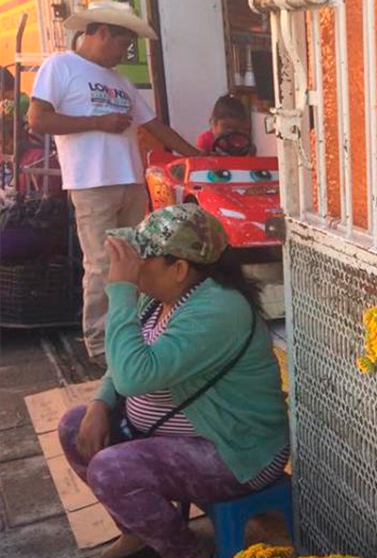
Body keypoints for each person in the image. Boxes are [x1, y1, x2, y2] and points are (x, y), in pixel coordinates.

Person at [57, 204, 289, 558]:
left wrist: (119, 291)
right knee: (76, 425)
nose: (132, 267)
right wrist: (101, 402)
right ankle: (138, 531)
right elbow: (124, 358)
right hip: (178, 438)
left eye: (142, 259)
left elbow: (134, 378)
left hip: (235, 452)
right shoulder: (161, 295)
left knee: (112, 470)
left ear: (179, 268)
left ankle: (185, 552)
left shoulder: (217, 309)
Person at [27, 0, 201, 362]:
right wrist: (98, 123)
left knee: (136, 261)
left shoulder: (120, 80)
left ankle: (133, 332)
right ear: (102, 32)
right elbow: (38, 120)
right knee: (103, 264)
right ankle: (100, 344)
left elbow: (155, 126)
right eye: (124, 43)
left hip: (129, 181)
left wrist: (199, 157)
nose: (126, 51)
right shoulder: (61, 66)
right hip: (92, 183)